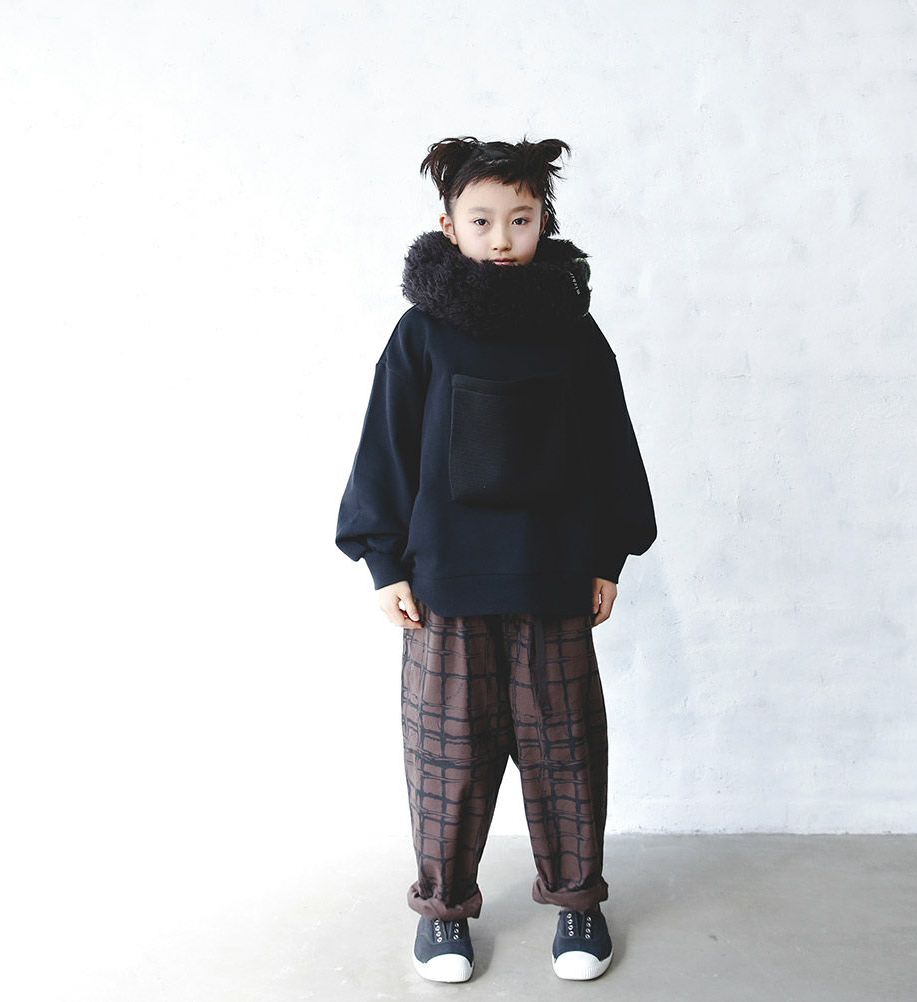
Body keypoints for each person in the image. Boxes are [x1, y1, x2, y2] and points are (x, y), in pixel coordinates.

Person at [335, 135, 657, 983]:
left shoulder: (573, 331)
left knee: (566, 750)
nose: (503, 237)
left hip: (554, 574)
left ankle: (578, 901)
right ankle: (443, 912)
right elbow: (385, 450)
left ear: (544, 219)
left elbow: (610, 447)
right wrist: (383, 563)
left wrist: (609, 556)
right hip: (444, 582)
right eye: (482, 221)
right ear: (449, 227)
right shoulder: (422, 333)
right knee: (447, 756)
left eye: (521, 218)